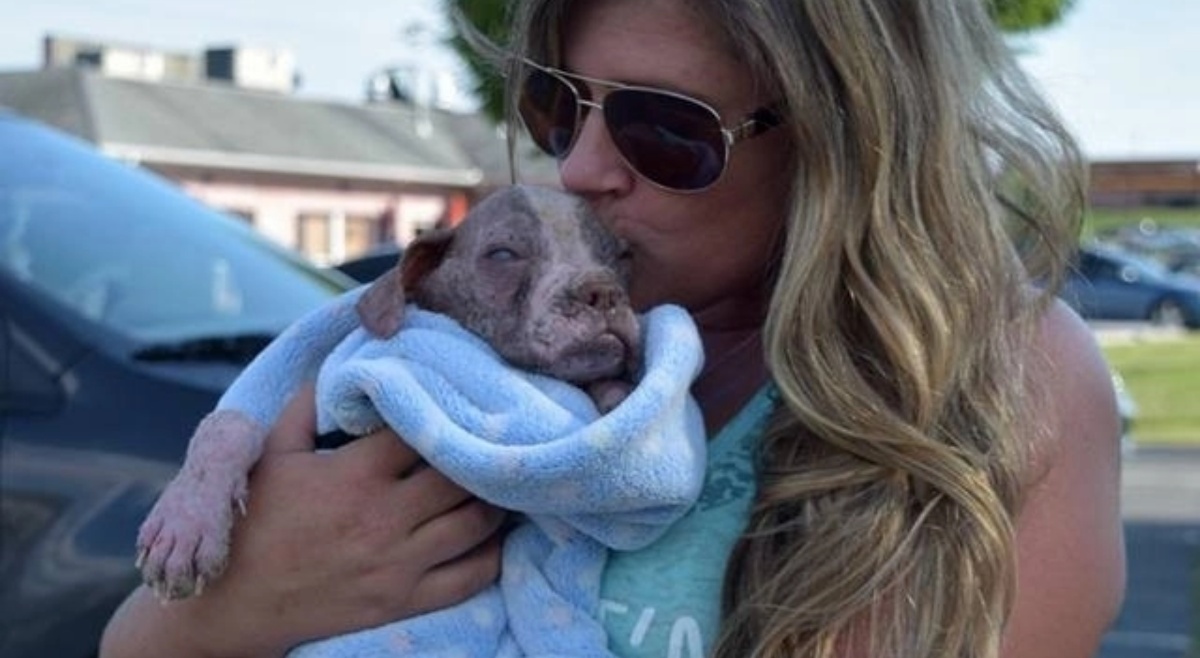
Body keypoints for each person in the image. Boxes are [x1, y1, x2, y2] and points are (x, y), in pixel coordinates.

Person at [100, 1, 1126, 657]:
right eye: (557, 106)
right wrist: (219, 614)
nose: (582, 165)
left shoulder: (987, 376)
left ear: (844, 140)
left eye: (664, 127)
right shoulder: (455, 352)